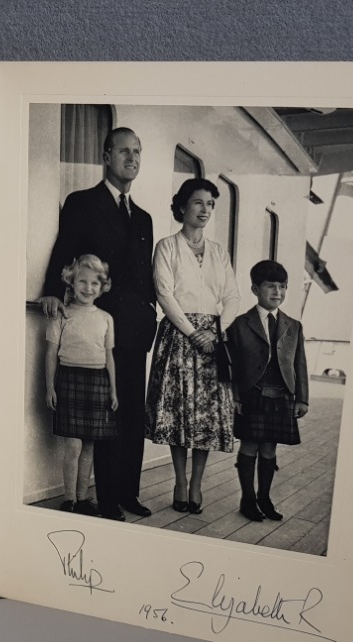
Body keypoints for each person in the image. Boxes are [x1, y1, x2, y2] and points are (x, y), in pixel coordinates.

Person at [39, 127, 157, 521]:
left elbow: (143, 276)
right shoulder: (82, 202)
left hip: (135, 328)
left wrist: (151, 313)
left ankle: (128, 491)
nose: (132, 158)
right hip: (99, 327)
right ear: (106, 157)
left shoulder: (143, 218)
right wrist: (53, 289)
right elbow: (65, 248)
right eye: (124, 151)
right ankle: (106, 500)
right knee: (107, 414)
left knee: (131, 413)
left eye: (137, 152)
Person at [145, 178, 239, 514]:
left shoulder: (218, 252)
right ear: (183, 206)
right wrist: (191, 332)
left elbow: (231, 296)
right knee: (179, 411)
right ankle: (180, 482)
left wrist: (216, 332)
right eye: (198, 202)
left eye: (210, 204)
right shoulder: (167, 246)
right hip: (179, 336)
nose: (205, 210)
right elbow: (164, 293)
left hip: (213, 341)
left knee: (206, 417)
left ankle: (197, 485)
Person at [226, 260, 309, 522]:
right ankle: (247, 499)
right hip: (253, 394)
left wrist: (302, 398)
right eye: (270, 286)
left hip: (282, 394)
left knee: (270, 448)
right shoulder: (239, 324)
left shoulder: (293, 326)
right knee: (250, 445)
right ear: (255, 289)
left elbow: (300, 363)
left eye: (282, 287)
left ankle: (265, 498)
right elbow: (233, 366)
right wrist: (236, 396)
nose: (277, 292)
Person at [45, 255, 119, 514]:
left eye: (94, 283)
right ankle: (69, 498)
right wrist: (49, 387)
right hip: (69, 379)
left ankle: (83, 497)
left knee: (89, 444)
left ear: (102, 287)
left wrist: (113, 390)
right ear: (71, 282)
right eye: (82, 281)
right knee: (74, 444)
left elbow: (109, 356)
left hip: (97, 382)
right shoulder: (62, 315)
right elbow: (51, 354)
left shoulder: (106, 318)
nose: (88, 288)